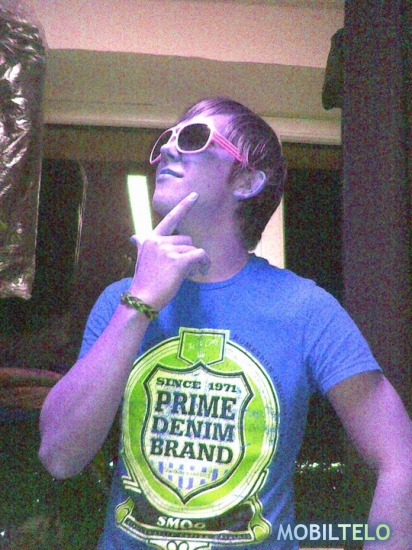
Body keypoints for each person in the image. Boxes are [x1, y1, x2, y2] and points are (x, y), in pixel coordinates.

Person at [39, 97, 412, 550]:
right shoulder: (120, 301)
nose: (168, 148)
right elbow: (59, 457)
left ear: (247, 180)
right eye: (168, 138)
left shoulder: (307, 310)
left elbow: (401, 460)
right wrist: (140, 303)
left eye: (194, 138)